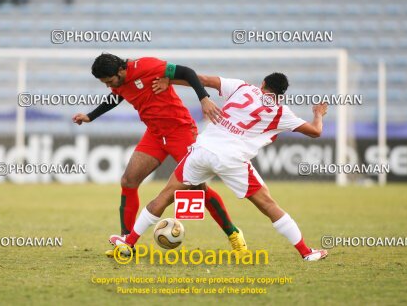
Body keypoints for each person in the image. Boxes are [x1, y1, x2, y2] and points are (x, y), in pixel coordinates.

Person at [110, 73, 330, 261]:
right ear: (281, 94)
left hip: (202, 149)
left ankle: (128, 244)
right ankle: (306, 252)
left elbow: (203, 79)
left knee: (164, 196)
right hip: (232, 159)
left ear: (262, 84)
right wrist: (318, 114)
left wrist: (171, 80)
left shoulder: (242, 87)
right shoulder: (282, 113)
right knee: (268, 205)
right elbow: (315, 131)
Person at [72, 54, 248, 256]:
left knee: (197, 189)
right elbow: (117, 95)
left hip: (180, 131)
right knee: (129, 181)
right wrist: (90, 116)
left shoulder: (147, 66)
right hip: (155, 134)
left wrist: (204, 98)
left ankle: (234, 234)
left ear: (120, 71)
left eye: (109, 81)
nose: (108, 85)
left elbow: (187, 72)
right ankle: (127, 242)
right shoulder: (118, 82)